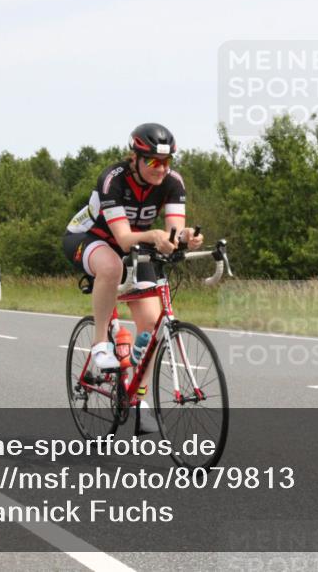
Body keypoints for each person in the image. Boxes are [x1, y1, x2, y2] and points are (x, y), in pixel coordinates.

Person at [62, 124, 204, 431]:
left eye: (166, 162)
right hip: (90, 237)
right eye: (153, 161)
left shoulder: (173, 182)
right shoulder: (114, 179)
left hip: (138, 245)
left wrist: (186, 237)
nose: (160, 169)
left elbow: (173, 231)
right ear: (135, 158)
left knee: (153, 325)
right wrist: (155, 235)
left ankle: (139, 399)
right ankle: (100, 344)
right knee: (111, 267)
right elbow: (124, 239)